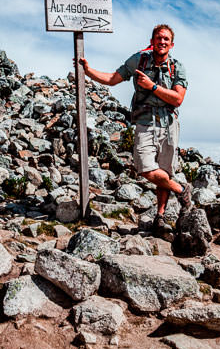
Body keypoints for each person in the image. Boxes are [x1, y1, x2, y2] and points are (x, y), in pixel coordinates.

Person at [78, 23, 190, 228]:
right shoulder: (139, 60)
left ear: (171, 44)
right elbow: (113, 78)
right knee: (145, 167)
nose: (162, 42)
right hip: (145, 122)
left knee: (164, 170)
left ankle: (161, 217)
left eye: (166, 39)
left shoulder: (177, 67)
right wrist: (88, 71)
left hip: (168, 123)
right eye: (159, 38)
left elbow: (177, 99)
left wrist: (152, 86)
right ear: (152, 41)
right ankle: (181, 190)